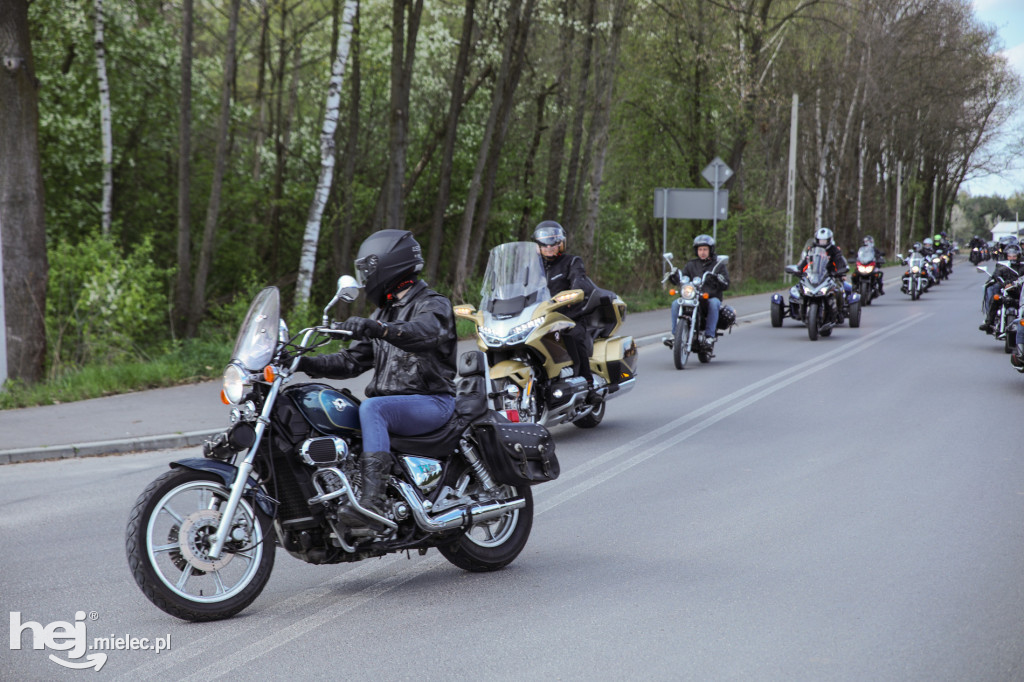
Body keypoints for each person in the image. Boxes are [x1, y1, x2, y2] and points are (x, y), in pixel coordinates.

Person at [296, 229, 457, 527]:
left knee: (373, 408)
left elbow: (424, 333)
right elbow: (350, 361)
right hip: (397, 406)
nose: (365, 277)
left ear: (388, 265)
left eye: (368, 270)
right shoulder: (385, 310)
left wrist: (380, 329)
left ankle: (373, 503)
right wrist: (302, 362)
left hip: (432, 400)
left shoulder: (433, 304)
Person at [533, 220, 598, 403]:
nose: (549, 247)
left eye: (554, 243)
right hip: (538, 318)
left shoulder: (572, 261)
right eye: (545, 244)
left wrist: (574, 293)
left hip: (567, 317)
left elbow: (580, 280)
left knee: (574, 336)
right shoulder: (532, 268)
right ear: (538, 246)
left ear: (561, 243)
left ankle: (588, 384)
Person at [665, 234, 729, 351]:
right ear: (696, 251)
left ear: (710, 250)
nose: (702, 252)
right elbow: (683, 279)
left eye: (705, 249)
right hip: (693, 297)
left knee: (714, 303)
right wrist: (674, 277)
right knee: (675, 303)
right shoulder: (691, 264)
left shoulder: (718, 265)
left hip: (709, 297)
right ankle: (675, 335)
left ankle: (709, 336)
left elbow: (726, 283)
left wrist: (719, 279)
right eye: (700, 249)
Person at [797, 227, 849, 318]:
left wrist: (841, 271)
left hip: (830, 275)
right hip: (814, 275)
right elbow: (806, 261)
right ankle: (801, 310)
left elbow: (839, 262)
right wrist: (799, 270)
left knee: (839, 290)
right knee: (800, 288)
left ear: (829, 240)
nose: (822, 243)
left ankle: (840, 311)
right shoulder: (812, 249)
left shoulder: (834, 250)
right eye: (820, 241)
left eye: (824, 241)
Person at [979, 243, 1024, 334]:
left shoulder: (1022, 266)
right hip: (1005, 292)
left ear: (1018, 256)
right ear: (1006, 256)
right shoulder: (1002, 265)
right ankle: (989, 323)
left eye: (1014, 256)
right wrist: (1003, 284)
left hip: (1020, 294)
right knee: (995, 297)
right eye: (1009, 256)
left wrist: (1017, 283)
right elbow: (996, 275)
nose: (1011, 258)